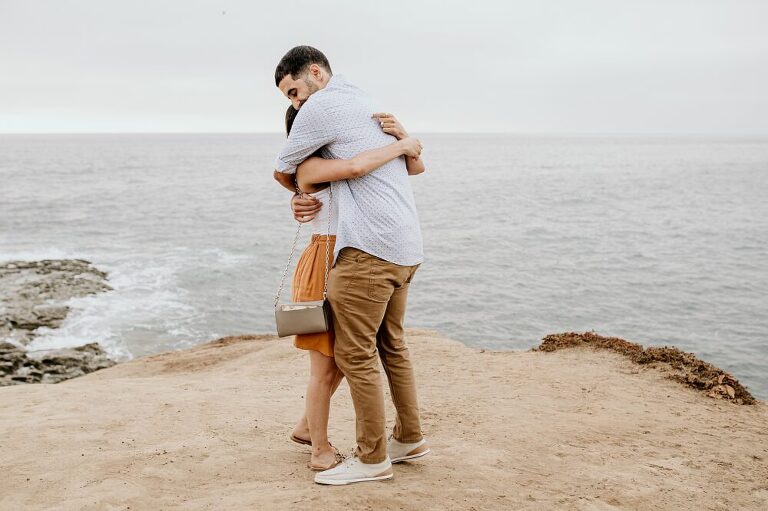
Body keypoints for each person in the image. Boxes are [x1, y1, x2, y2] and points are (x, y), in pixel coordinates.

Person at [273, 45, 430, 485]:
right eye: (290, 102)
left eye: (294, 92)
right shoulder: (318, 162)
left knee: (348, 358)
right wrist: (403, 143)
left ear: (316, 73)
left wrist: (404, 141)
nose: (298, 104)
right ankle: (337, 445)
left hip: (358, 253)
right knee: (340, 359)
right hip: (357, 253)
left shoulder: (335, 129)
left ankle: (348, 445)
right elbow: (358, 165)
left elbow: (393, 167)